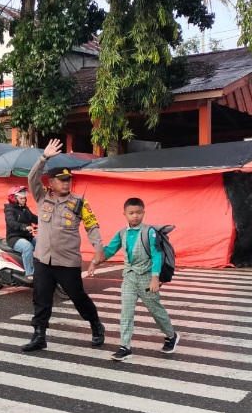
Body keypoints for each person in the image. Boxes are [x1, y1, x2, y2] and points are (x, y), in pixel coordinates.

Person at [22, 138, 106, 352]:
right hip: (43, 259)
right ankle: (39, 335)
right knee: (41, 298)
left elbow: (92, 226)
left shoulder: (79, 202)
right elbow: (32, 177)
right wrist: (44, 158)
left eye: (68, 180)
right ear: (51, 182)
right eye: (62, 180)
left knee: (78, 297)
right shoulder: (42, 197)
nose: (67, 183)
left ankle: (96, 325)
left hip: (67, 262)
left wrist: (99, 249)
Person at [88, 197, 179, 361]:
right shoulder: (122, 233)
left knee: (155, 310)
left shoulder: (149, 232)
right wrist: (95, 261)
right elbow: (109, 250)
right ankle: (125, 346)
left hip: (147, 277)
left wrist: (155, 278)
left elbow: (157, 255)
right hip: (129, 278)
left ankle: (171, 335)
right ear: (124, 214)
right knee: (126, 312)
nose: (135, 216)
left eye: (138, 213)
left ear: (144, 212)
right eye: (131, 213)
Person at [5, 185, 38, 280]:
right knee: (28, 247)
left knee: (42, 244)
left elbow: (34, 218)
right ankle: (29, 273)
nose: (24, 200)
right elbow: (12, 223)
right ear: (13, 198)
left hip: (27, 236)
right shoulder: (9, 210)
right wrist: (24, 227)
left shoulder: (24, 208)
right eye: (21, 198)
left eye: (24, 198)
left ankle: (41, 268)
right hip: (14, 238)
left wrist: (46, 221)